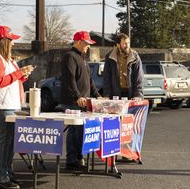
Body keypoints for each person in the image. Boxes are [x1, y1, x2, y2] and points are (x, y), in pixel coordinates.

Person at [0, 26, 35, 189]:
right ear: (4, 41)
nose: (13, 43)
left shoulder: (6, 58)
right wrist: (19, 73)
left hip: (9, 104)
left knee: (10, 140)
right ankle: (1, 175)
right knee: (6, 140)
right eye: (11, 39)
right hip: (3, 104)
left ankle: (6, 172)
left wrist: (22, 76)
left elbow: (10, 80)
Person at [60, 31, 100, 170]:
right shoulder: (69, 57)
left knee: (77, 131)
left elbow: (89, 80)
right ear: (78, 42)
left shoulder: (82, 58)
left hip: (82, 101)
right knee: (76, 130)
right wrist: (77, 97)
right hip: (73, 101)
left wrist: (97, 95)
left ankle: (75, 158)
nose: (88, 47)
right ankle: (73, 159)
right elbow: (69, 79)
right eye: (86, 44)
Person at [103, 33, 144, 100]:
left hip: (131, 95)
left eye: (128, 43)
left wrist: (138, 95)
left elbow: (139, 78)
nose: (127, 46)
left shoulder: (135, 57)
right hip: (115, 95)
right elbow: (107, 77)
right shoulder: (110, 57)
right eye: (124, 43)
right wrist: (107, 95)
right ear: (118, 45)